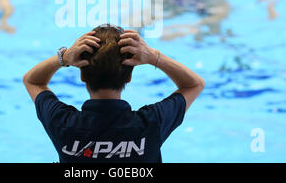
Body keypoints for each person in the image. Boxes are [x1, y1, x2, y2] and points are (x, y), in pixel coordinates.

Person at [23, 24, 205, 163]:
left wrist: (63, 58)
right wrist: (153, 56)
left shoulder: (63, 124)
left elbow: (32, 81)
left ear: (82, 75)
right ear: (129, 76)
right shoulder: (152, 123)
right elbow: (194, 84)